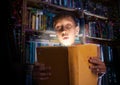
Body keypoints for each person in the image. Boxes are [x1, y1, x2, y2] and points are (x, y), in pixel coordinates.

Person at [32, 12, 106, 85]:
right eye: (58, 27)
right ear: (56, 33)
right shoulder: (47, 55)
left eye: (68, 26)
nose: (63, 31)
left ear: (76, 30)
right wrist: (36, 79)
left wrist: (100, 74)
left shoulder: (90, 51)